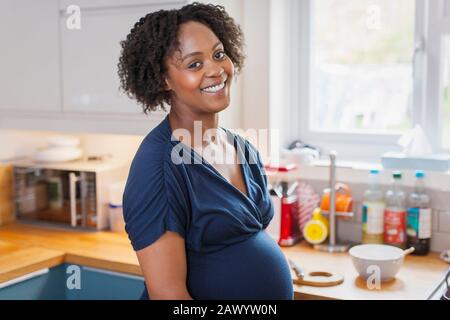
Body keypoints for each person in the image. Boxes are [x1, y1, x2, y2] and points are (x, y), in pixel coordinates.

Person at [118, 2, 293, 300]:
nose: (215, 70)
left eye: (218, 54)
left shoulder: (243, 148)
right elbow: (168, 295)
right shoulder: (159, 166)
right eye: (194, 64)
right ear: (164, 80)